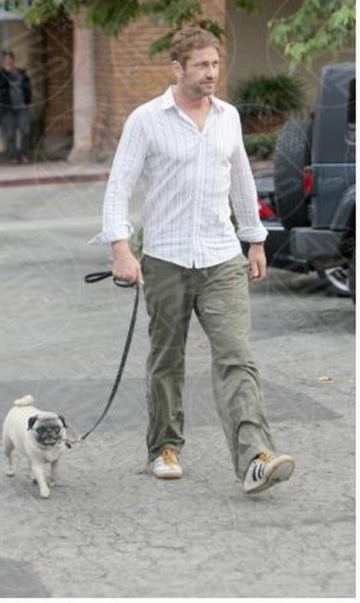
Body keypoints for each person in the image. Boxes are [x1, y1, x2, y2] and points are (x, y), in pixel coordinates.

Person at [91, 26, 295, 494]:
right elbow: (119, 185)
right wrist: (121, 248)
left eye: (215, 64)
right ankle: (163, 446)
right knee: (166, 359)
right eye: (201, 65)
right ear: (177, 68)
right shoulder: (146, 120)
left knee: (237, 358)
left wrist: (255, 239)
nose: (211, 73)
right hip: (165, 258)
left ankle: (256, 458)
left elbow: (241, 179)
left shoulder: (228, 117)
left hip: (222, 257)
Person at [0, 50, 32, 164]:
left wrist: (28, 100)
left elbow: (27, 86)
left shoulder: (21, 73)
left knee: (25, 131)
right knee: (10, 134)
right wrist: (6, 73)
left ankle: (24, 154)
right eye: (6, 59)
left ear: (13, 60)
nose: (8, 61)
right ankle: (14, 157)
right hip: (8, 108)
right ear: (3, 62)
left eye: (10, 59)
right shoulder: (0, 74)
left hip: (22, 107)